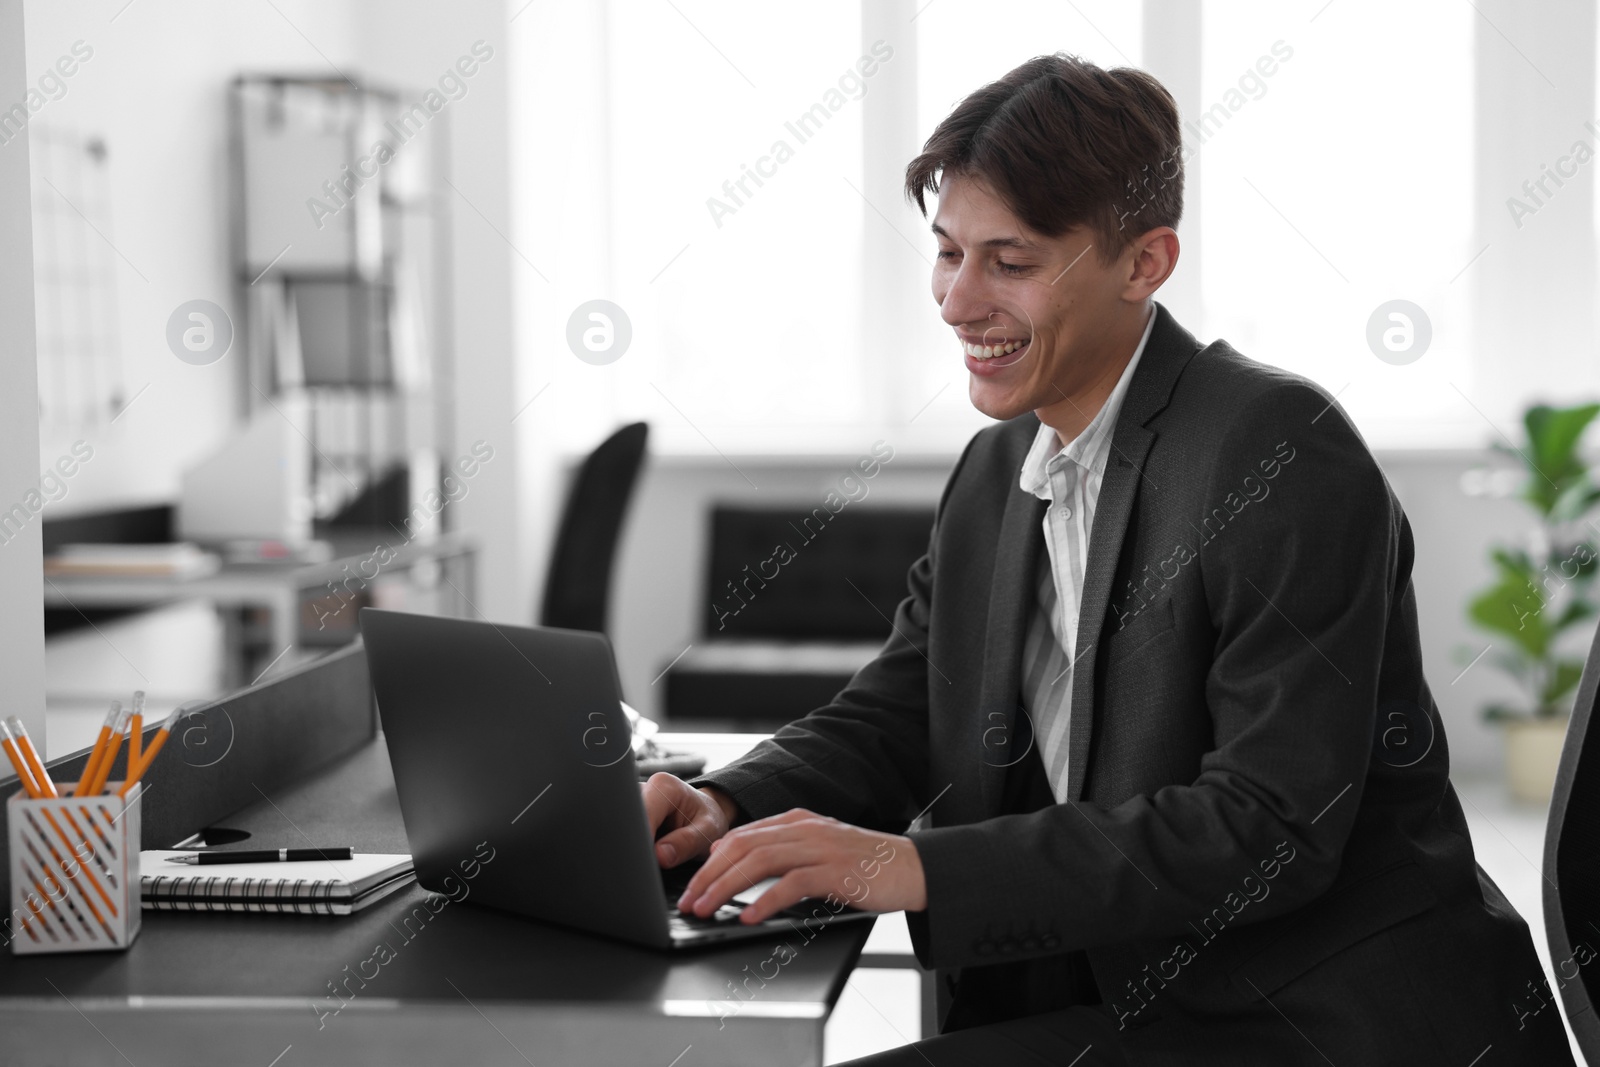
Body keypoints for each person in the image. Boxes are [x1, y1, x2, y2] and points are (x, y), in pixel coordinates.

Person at [642, 52, 1576, 1066]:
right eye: (947, 252)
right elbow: (904, 705)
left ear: (1144, 262)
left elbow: (1266, 828)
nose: (957, 301)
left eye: (1011, 262)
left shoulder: (1275, 449)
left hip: (1309, 1018)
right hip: (1119, 993)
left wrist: (914, 866)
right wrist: (727, 799)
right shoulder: (999, 467)